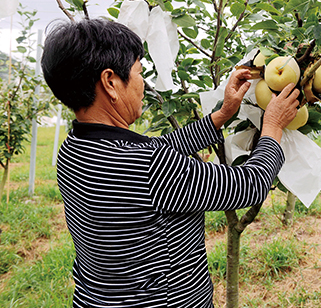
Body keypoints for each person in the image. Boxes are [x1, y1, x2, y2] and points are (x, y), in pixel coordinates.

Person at [41, 17, 300, 308]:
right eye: (139, 72)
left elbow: (155, 150)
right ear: (110, 82)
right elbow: (248, 186)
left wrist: (222, 114)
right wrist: (273, 126)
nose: (142, 84)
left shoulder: (75, 149)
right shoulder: (149, 166)